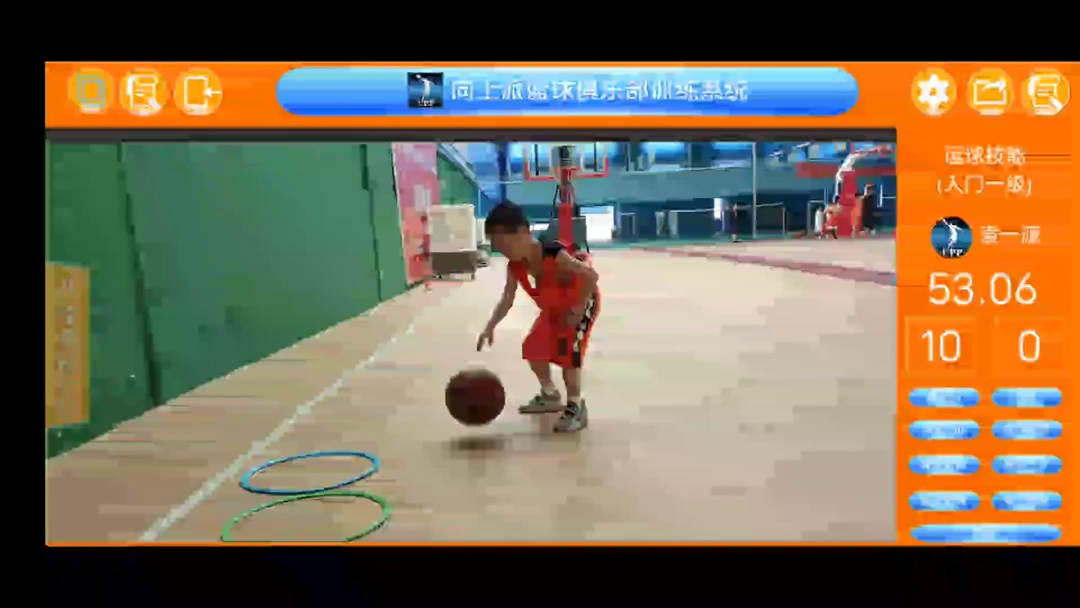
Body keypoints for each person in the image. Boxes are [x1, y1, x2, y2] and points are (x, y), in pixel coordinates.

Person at [477, 201, 600, 433]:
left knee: (569, 352)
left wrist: (578, 308)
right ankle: (550, 394)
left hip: (582, 302)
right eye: (497, 246)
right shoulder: (515, 266)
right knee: (533, 347)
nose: (503, 250)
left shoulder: (553, 253)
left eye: (504, 243)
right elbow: (507, 298)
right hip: (555, 307)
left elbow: (590, 276)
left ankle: (576, 405)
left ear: (523, 232)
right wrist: (490, 326)